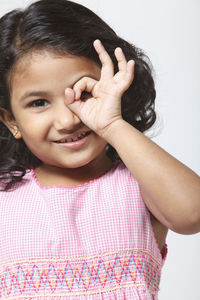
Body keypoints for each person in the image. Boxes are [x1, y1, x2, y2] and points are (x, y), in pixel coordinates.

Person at [0, 0, 199, 298]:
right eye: (39, 103)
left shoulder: (140, 184)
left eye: (84, 91)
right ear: (11, 120)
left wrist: (112, 124)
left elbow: (192, 214)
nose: (67, 119)